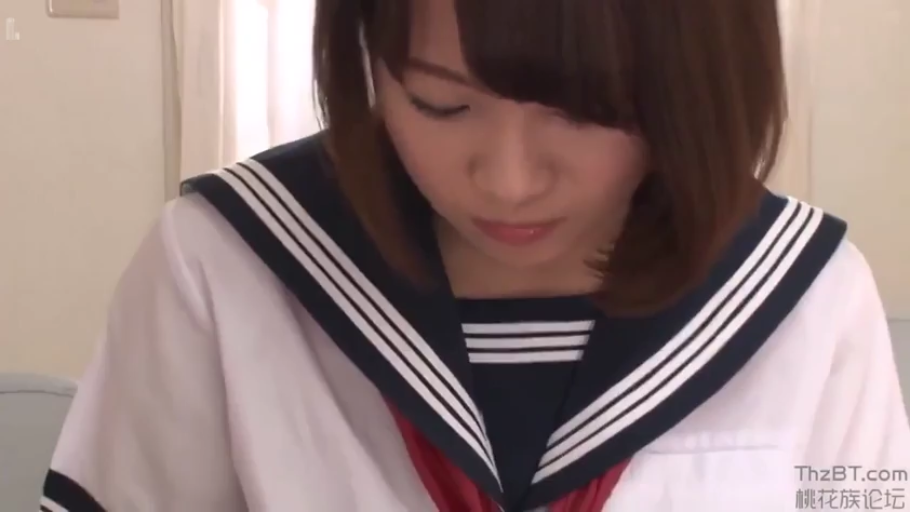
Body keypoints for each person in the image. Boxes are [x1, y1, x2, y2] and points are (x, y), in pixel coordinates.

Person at [40, 0, 910, 510]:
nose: (508, 181)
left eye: (584, 111)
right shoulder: (226, 266)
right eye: (440, 105)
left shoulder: (807, 299)